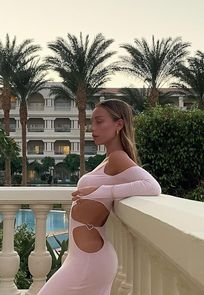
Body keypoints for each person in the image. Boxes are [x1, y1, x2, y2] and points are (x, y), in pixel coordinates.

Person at [38, 99, 161, 295]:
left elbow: (152, 186)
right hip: (83, 258)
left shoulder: (118, 157)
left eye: (99, 121)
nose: (92, 128)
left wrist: (101, 191)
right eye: (91, 122)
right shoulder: (108, 159)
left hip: (89, 261)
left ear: (118, 124)